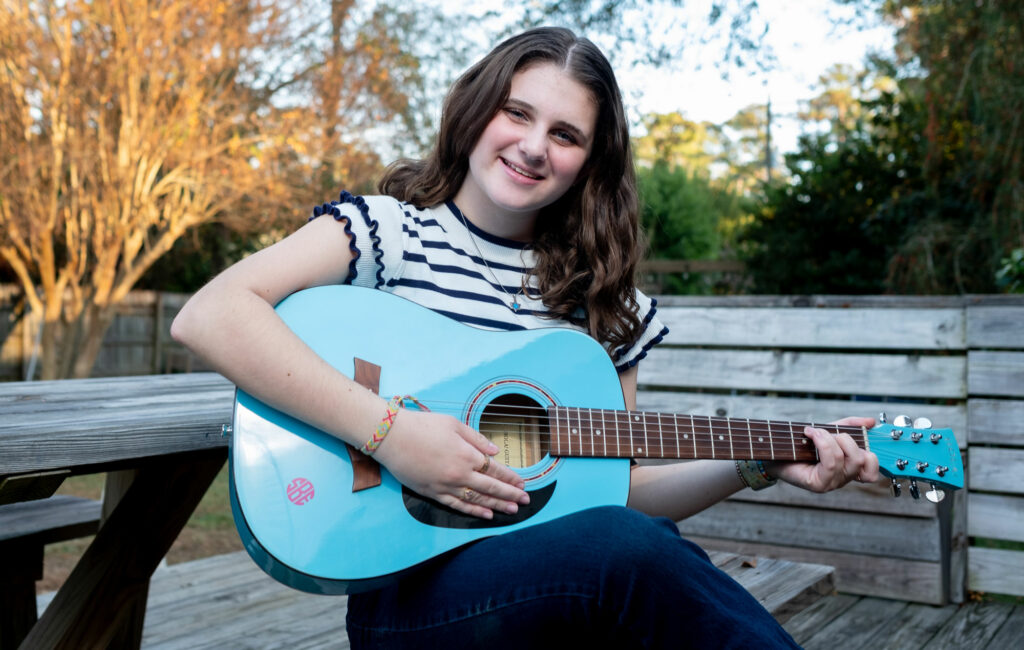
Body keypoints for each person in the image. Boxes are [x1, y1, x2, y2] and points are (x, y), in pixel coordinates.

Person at [172, 26, 879, 649]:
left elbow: (617, 497)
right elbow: (212, 313)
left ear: (590, 162)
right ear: (479, 111)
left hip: (570, 585)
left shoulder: (602, 302)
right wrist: (391, 434)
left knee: (636, 543)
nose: (535, 147)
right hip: (410, 598)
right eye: (518, 113)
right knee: (629, 553)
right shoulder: (389, 234)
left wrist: (758, 460)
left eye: (566, 135)